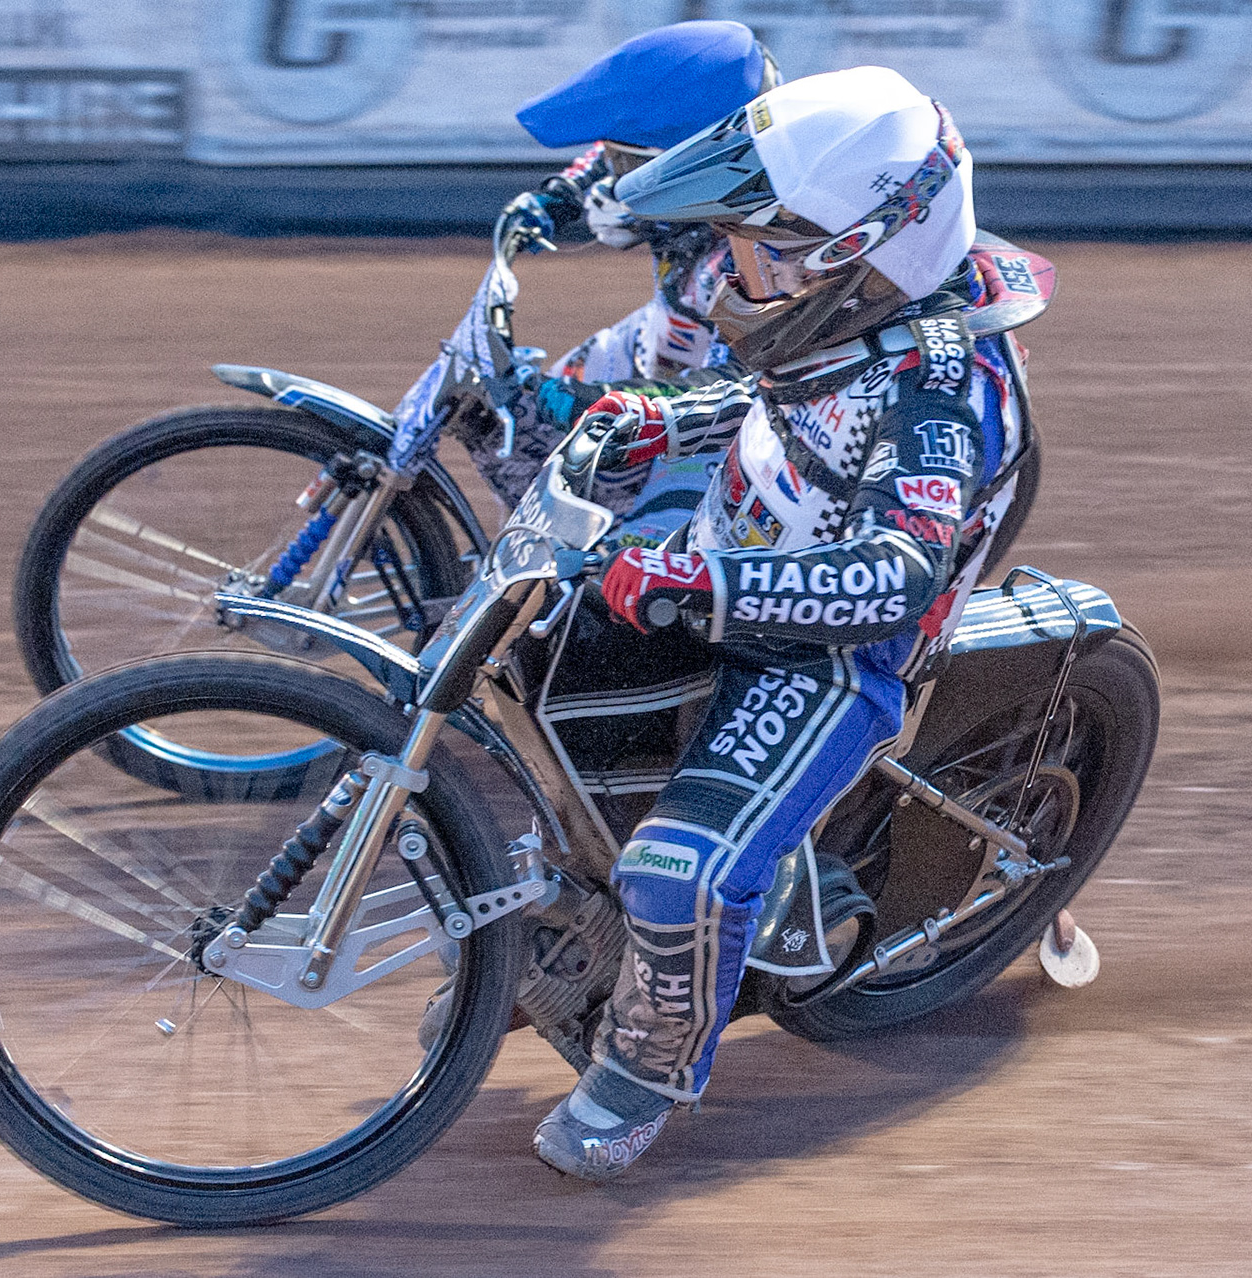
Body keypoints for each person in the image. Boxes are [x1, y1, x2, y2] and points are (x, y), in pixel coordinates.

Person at [531, 65, 1027, 1181]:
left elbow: (899, 571)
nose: (732, 268)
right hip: (732, 560)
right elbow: (775, 404)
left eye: (759, 243)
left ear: (851, 249)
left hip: (830, 652)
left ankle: (647, 1068)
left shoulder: (941, 389)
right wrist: (658, 425)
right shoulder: (844, 311)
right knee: (535, 697)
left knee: (677, 873)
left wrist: (709, 591)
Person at [392, 20, 779, 548]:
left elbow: (729, 393)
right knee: (541, 408)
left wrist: (574, 403)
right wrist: (557, 196)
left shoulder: (757, 256)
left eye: (629, 168)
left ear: (693, 164)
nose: (609, 183)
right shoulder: (721, 146)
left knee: (644, 547)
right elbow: (614, 149)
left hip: (737, 417)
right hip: (671, 333)